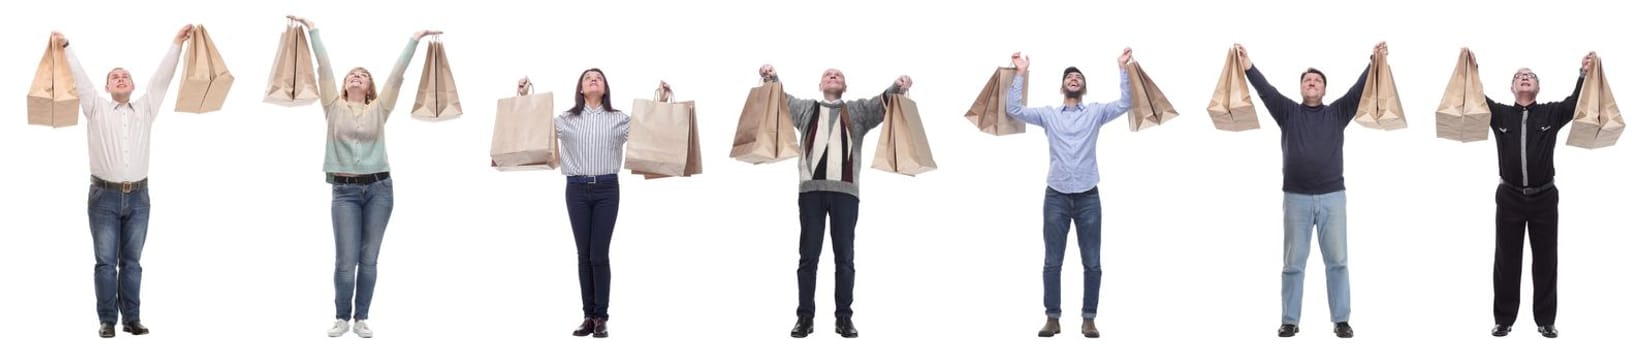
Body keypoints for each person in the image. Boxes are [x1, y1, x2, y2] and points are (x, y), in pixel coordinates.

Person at [286, 15, 441, 339]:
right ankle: (342, 317)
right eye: (352, 75)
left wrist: (415, 38)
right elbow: (324, 68)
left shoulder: (379, 110)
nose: (357, 77)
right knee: (346, 260)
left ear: (369, 87)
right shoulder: (332, 106)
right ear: (345, 85)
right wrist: (313, 29)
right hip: (344, 191)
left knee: (368, 258)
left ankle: (361, 318)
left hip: (380, 189)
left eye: (363, 76)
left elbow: (397, 77)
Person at [1235, 41, 1387, 339]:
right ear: (1302, 88)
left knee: (1338, 261)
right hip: (1296, 199)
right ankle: (1290, 320)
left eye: (1317, 80)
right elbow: (1266, 90)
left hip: (1333, 197)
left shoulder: (1338, 112)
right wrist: (1248, 65)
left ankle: (1341, 319)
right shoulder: (1287, 112)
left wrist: (1374, 60)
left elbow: (1359, 90)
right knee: (1293, 263)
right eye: (1307, 80)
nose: (1312, 83)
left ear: (1324, 90)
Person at [757, 64, 911, 339]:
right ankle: (805, 318)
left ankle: (844, 319)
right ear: (820, 85)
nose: (833, 75)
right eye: (828, 74)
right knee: (808, 258)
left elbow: (882, 103)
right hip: (811, 192)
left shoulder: (858, 112)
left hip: (846, 193)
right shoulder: (807, 110)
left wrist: (898, 86)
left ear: (845, 86)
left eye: (838, 74)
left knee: (845, 258)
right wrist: (771, 77)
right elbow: (780, 100)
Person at [57, 24, 191, 339]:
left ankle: (132, 318)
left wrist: (177, 43)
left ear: (132, 86)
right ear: (107, 87)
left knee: (132, 262)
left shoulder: (145, 108)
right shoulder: (95, 108)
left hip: (139, 198)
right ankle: (107, 320)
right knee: (105, 263)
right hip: (103, 197)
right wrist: (66, 47)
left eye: (125, 75)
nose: (120, 78)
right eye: (114, 76)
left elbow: (162, 79)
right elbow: (80, 79)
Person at [1003, 48, 1133, 339]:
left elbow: (1126, 102)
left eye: (1078, 77)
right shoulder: (1049, 115)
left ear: (1083, 87)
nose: (1074, 79)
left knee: (1092, 262)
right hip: (1056, 197)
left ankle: (1089, 319)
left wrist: (1122, 67)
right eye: (1069, 77)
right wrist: (1020, 74)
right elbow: (1014, 111)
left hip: (1088, 196)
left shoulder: (1097, 112)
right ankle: (1052, 318)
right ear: (1062, 87)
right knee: (1052, 261)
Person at [1481, 50, 1594, 339]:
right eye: (1519, 76)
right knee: (1507, 260)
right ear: (1512, 88)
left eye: (1530, 76)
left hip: (1544, 197)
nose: (1525, 78)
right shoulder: (1500, 114)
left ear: (1538, 87)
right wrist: (1472, 68)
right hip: (1509, 197)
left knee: (1545, 260)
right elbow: (1474, 98)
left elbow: (1574, 104)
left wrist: (1582, 74)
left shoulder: (1550, 113)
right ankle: (1503, 320)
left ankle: (1546, 320)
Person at [553, 71, 671, 339]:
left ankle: (601, 316)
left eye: (598, 77)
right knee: (583, 254)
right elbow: (533, 128)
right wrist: (524, 97)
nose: (593, 79)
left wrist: (662, 101)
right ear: (581, 89)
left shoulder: (619, 119)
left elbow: (651, 129)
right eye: (587, 78)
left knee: (599, 253)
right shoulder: (566, 120)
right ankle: (587, 316)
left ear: (605, 88)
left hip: (607, 189)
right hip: (576, 189)